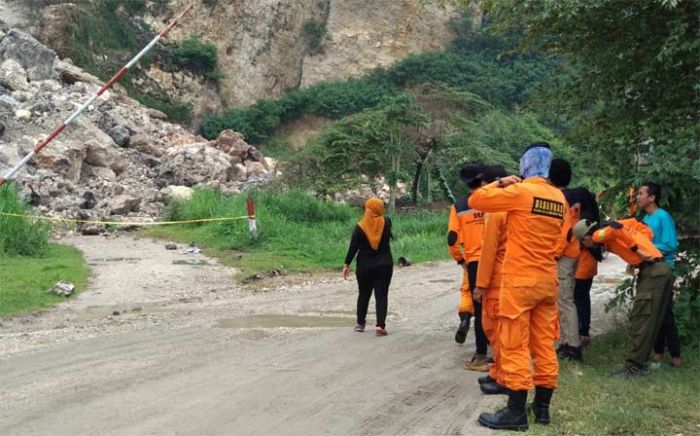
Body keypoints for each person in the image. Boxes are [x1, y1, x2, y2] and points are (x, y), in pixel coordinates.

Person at [470, 143, 565, 431]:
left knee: (513, 345)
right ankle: (543, 408)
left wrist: (501, 182)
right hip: (547, 281)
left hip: (519, 281)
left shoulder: (522, 192)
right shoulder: (558, 197)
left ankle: (515, 412)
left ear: (525, 165)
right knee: (544, 345)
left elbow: (478, 200)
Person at [573, 217, 674, 376]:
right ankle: (643, 361)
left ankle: (634, 366)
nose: (583, 246)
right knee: (653, 318)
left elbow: (616, 229)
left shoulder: (598, 235)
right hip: (660, 269)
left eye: (581, 243)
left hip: (653, 272)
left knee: (642, 318)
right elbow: (646, 231)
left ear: (585, 238)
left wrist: (637, 251)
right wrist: (635, 257)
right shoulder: (625, 224)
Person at [447, 161, 490, 371]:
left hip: (474, 261)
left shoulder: (460, 205)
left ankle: (481, 354)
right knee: (499, 306)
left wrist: (460, 259)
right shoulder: (494, 199)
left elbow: (452, 238)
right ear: (482, 179)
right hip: (498, 259)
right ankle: (503, 352)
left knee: (480, 308)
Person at [472, 165, 509, 395]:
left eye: (483, 184)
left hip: (498, 278)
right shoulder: (518, 205)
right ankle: (499, 373)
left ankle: (504, 377)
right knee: (501, 331)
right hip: (513, 275)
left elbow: (489, 250)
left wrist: (480, 284)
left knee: (497, 331)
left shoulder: (498, 210)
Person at [637, 182, 681, 367]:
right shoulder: (644, 219)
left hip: (663, 269)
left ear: (652, 197)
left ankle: (675, 355)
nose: (637, 197)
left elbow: (671, 244)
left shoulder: (662, 217)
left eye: (640, 193)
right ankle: (658, 352)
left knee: (665, 313)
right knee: (652, 312)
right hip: (648, 269)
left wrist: (649, 250)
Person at [343, 197, 393, 336]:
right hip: (384, 265)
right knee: (381, 295)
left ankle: (360, 323)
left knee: (364, 294)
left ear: (367, 208)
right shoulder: (387, 222)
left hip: (364, 266)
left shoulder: (360, 226)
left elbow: (353, 247)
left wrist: (346, 264)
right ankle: (380, 326)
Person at [549, 159, 582, 361]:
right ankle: (565, 342)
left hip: (565, 255)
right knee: (561, 300)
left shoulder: (560, 198)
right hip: (569, 253)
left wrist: (555, 253)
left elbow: (565, 232)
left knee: (565, 300)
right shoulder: (568, 196)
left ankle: (573, 346)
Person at [567, 187, 602, 347]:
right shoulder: (593, 215)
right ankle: (583, 331)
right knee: (582, 298)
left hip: (582, 263)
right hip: (588, 264)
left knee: (577, 298)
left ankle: (580, 333)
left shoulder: (584, 219)